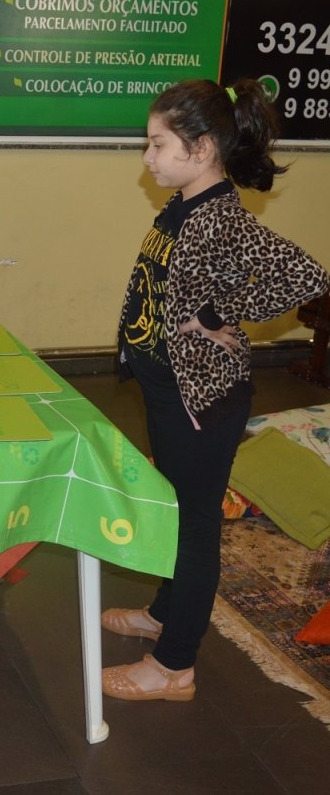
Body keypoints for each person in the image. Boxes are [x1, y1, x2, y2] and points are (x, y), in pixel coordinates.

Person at [103, 78, 329, 702]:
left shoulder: (219, 216)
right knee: (178, 512)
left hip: (198, 401)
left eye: (157, 144)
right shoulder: (185, 208)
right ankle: (163, 613)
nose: (147, 158)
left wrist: (216, 315)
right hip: (168, 391)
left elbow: (305, 274)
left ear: (201, 149)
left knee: (195, 525)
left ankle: (174, 665)